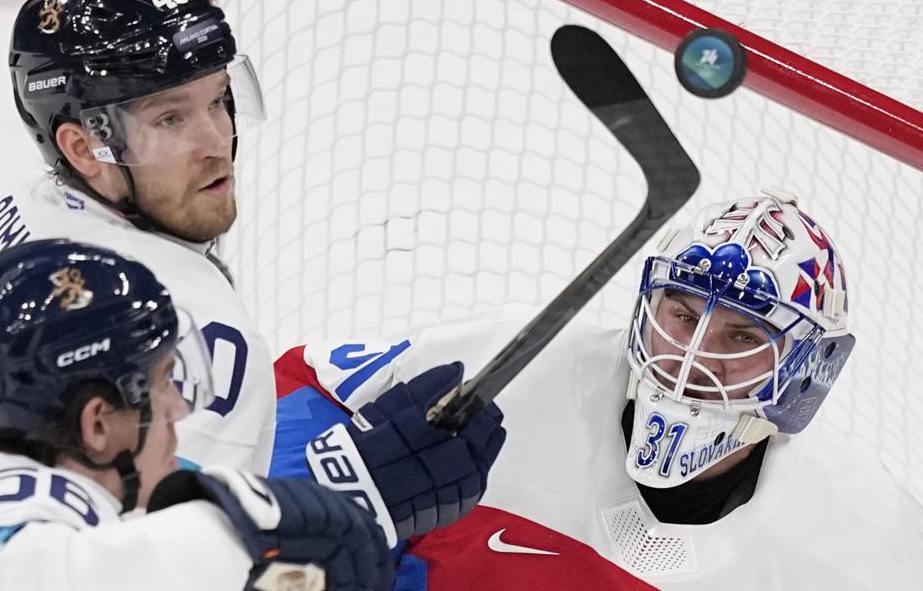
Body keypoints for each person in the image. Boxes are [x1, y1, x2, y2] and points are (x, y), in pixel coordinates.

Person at [0, 0, 504, 591]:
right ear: (83, 147)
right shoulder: (190, 321)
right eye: (170, 117)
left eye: (219, 100)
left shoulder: (30, 212)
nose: (215, 142)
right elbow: (159, 552)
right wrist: (361, 500)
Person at [270, 191, 923, 589]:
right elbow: (273, 404)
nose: (693, 357)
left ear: (808, 370)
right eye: (684, 315)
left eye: (740, 337)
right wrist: (335, 494)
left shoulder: (864, 541)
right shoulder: (506, 370)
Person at [0, 239, 393, 591]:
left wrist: (368, 491)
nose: (178, 409)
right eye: (163, 383)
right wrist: (235, 532)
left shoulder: (9, 481)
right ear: (98, 424)